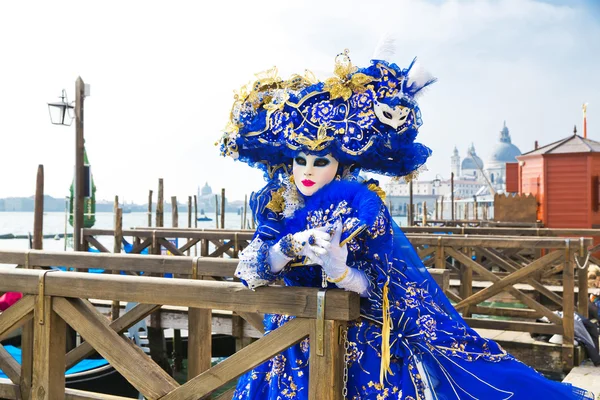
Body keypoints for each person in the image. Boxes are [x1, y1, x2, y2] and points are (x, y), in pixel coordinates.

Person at [218, 51, 594, 399]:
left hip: (356, 339)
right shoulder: (277, 205)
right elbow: (250, 270)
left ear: (342, 165)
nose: (307, 172)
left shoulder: (364, 207)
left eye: (320, 162)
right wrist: (290, 247)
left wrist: (342, 271)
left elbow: (380, 285)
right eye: (300, 160)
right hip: (287, 342)